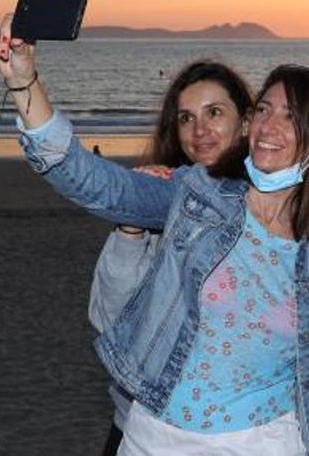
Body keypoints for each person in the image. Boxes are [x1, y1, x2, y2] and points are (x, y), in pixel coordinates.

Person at [0, 0, 309, 456]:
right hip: (156, 434)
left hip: (264, 441)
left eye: (290, 118)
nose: (267, 128)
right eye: (263, 111)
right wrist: (24, 83)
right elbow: (95, 183)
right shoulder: (198, 192)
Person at [89, 60, 255, 456]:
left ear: (246, 123)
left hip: (224, 436)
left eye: (214, 113)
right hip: (137, 425)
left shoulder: (268, 211)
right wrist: (131, 224)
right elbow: (107, 318)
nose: (200, 131)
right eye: (186, 118)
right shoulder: (161, 198)